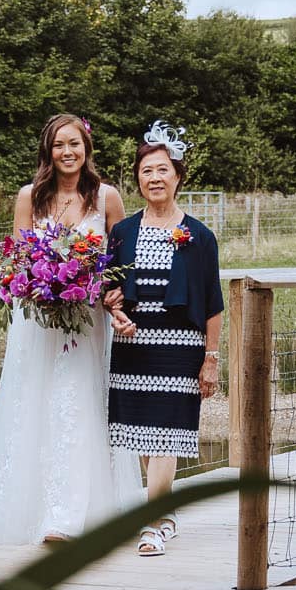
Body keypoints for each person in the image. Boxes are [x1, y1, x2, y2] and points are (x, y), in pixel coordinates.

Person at [0, 114, 144, 544]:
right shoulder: (30, 197)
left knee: (79, 405)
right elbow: (18, 261)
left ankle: (70, 517)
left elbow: (124, 264)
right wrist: (39, 284)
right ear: (48, 152)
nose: (68, 152)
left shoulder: (107, 198)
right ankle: (34, 511)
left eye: (75, 144)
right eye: (58, 145)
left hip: (86, 324)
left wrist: (108, 291)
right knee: (36, 405)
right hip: (39, 324)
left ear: (87, 147)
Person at [104, 122, 224, 557]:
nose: (153, 178)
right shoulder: (123, 232)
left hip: (179, 348)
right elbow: (108, 290)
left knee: (166, 435)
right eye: (145, 171)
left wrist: (210, 359)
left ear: (177, 176)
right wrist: (114, 312)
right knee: (141, 435)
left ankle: (152, 524)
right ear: (138, 179)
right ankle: (165, 513)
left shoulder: (200, 237)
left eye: (162, 170)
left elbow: (214, 303)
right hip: (133, 346)